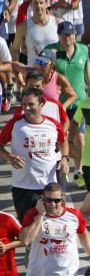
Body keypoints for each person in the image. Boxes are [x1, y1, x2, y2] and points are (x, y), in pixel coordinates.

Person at [0, 87, 69, 222]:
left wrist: (65, 158)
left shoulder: (53, 125)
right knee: (28, 230)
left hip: (49, 187)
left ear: (42, 104)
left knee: (51, 226)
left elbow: (63, 141)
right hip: (23, 187)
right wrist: (9, 157)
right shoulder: (15, 124)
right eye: (24, 104)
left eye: (31, 104)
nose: (26, 108)